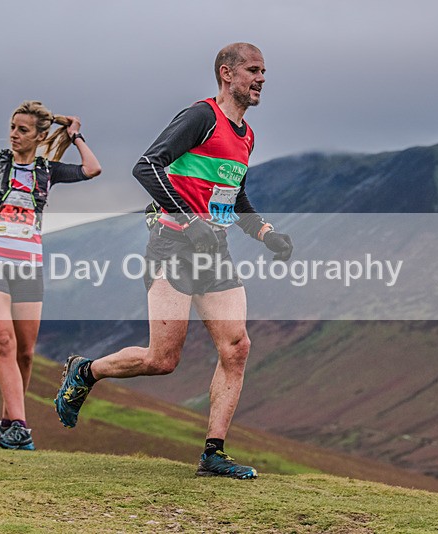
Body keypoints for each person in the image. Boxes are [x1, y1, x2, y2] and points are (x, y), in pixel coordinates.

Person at [54, 43, 292, 477]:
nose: (261, 79)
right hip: (173, 245)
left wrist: (265, 233)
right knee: (162, 360)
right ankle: (85, 371)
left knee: (237, 347)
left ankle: (213, 453)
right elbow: (146, 166)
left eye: (264, 72)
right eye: (253, 71)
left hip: (214, 250)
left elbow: (233, 195)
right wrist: (188, 219)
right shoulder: (200, 117)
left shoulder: (247, 136)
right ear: (227, 73)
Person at [0, 100, 101, 450]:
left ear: (40, 136)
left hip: (28, 267)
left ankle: (6, 422)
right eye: (12, 127)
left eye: (23, 130)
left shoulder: (47, 170)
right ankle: (21, 427)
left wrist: (76, 136)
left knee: (25, 353)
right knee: (3, 339)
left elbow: (92, 169)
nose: (14, 135)